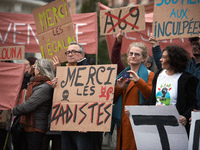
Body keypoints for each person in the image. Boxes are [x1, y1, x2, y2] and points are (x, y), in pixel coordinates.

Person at [52, 41, 102, 150]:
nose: (70, 54)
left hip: (83, 124)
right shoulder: (64, 71)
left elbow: (96, 98)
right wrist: (56, 83)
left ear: (82, 55)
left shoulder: (91, 68)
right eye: (68, 52)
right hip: (67, 121)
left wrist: (88, 122)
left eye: (74, 51)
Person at [111, 31, 154, 150]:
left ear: (144, 59)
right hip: (122, 122)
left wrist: (138, 81)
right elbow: (112, 99)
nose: (133, 56)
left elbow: (150, 97)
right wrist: (119, 88)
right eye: (131, 53)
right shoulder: (123, 74)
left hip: (138, 122)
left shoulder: (150, 75)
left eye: (137, 54)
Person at [142, 45, 198, 135]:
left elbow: (193, 105)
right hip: (157, 124)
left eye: (164, 57)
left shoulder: (187, 79)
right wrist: (134, 109)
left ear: (173, 60)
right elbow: (152, 100)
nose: (160, 60)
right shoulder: (158, 75)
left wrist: (185, 117)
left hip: (176, 128)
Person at [149, 33, 200, 109]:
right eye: (192, 44)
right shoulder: (188, 65)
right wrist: (155, 45)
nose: (194, 47)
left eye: (197, 44)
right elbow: (167, 64)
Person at [13, 59, 55, 150]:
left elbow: (29, 105)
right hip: (30, 127)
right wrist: (28, 74)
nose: (33, 69)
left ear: (39, 70)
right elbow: (23, 84)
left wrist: (14, 109)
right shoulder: (34, 83)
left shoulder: (45, 87)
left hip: (36, 128)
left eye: (35, 67)